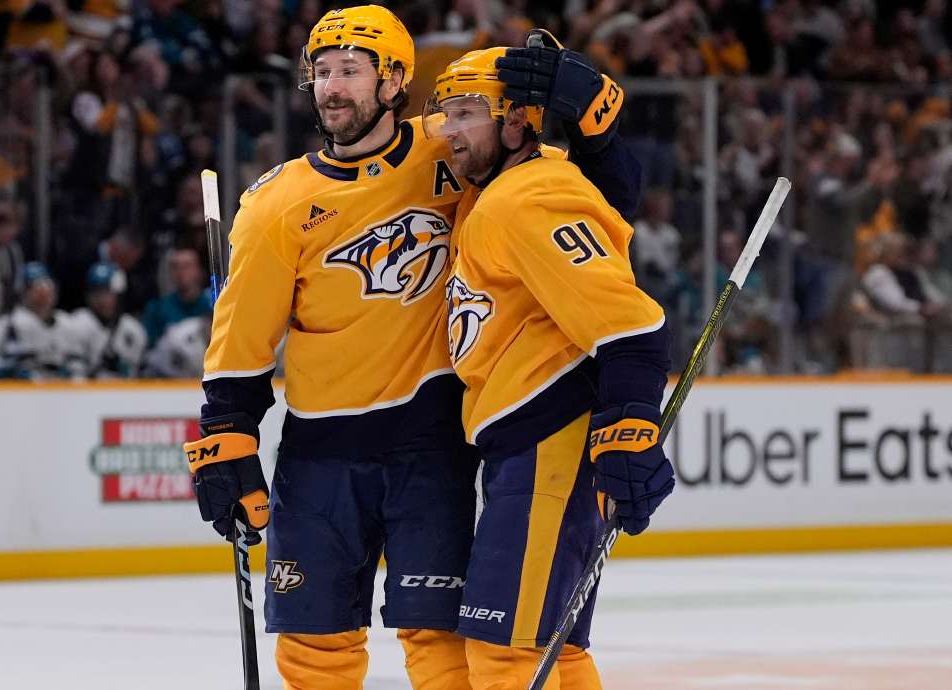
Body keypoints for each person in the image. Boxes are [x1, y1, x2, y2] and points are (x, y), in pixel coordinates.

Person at [180, 6, 641, 689]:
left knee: (442, 644)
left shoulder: (453, 144)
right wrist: (225, 436)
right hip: (320, 455)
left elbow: (591, 200)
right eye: (322, 72)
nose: (332, 88)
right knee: (313, 653)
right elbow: (242, 339)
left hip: (432, 450)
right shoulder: (275, 206)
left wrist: (596, 128)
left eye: (351, 72)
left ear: (395, 80)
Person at [427, 48, 674, 689]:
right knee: (552, 650)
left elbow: (633, 325)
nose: (448, 128)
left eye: (466, 113)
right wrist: (601, 140)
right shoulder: (507, 189)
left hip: (548, 445)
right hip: (525, 444)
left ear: (516, 124)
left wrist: (630, 425)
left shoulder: (526, 197)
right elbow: (613, 203)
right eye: (444, 112)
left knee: (504, 651)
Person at [4, 262, 84, 378]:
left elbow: (77, 363)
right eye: (37, 287)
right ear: (24, 292)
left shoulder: (66, 322)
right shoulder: (15, 322)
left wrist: (71, 372)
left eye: (47, 286)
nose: (44, 292)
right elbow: (16, 365)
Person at [70, 261, 147, 377]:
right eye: (97, 293)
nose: (103, 300)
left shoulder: (134, 330)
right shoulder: (77, 323)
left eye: (108, 293)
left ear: (120, 295)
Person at [141, 245, 210, 346]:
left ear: (199, 270)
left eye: (186, 266)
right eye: (175, 266)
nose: (180, 272)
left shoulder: (213, 306)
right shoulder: (157, 309)